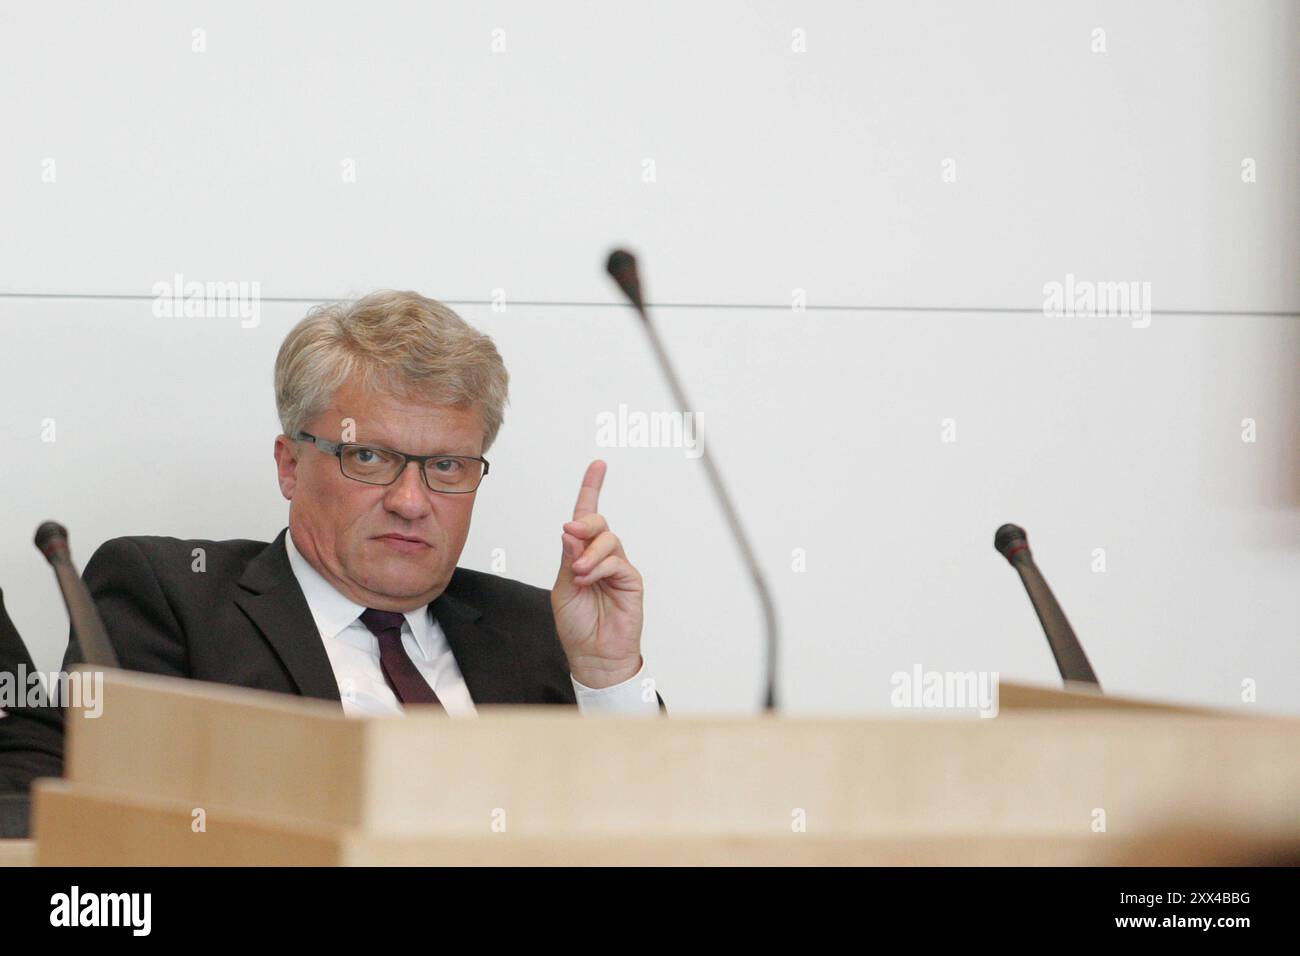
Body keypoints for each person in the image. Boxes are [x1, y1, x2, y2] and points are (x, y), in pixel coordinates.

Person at [64, 290, 663, 717]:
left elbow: (656, 838)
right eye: (370, 458)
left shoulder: (542, 632)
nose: (410, 502)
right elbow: (124, 817)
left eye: (447, 466)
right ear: (290, 465)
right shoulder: (173, 602)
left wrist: (607, 676)